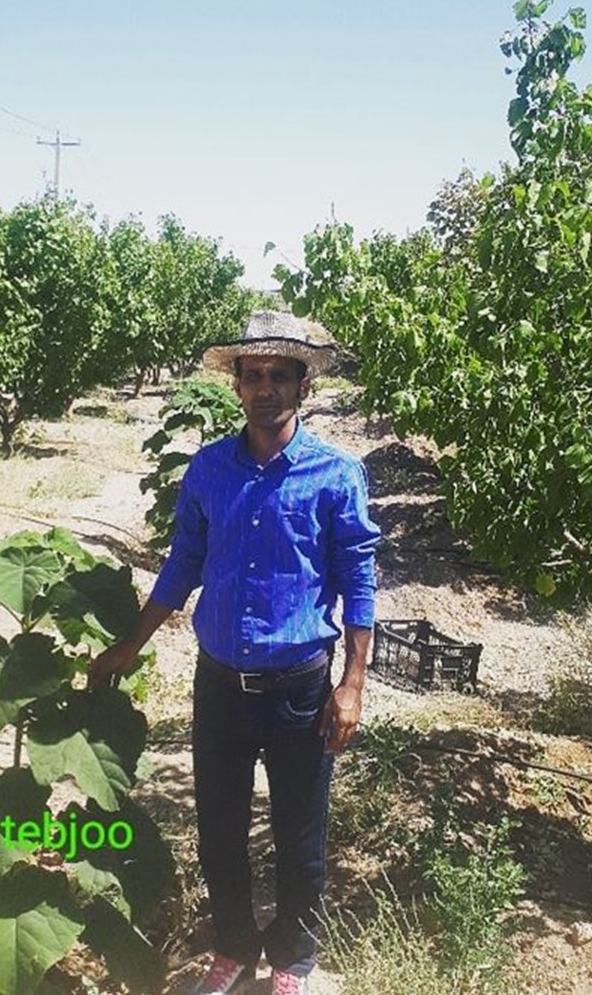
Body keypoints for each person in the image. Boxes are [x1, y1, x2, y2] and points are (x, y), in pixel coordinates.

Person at [89, 310, 381, 994]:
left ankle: (293, 962)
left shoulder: (335, 474)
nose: (265, 388)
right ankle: (233, 948)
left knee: (298, 837)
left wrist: (353, 684)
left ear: (303, 386)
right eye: (254, 375)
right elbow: (183, 561)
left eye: (280, 375)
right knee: (219, 830)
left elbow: (359, 580)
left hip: (299, 691)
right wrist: (131, 644)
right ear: (238, 386)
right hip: (220, 685)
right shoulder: (209, 469)